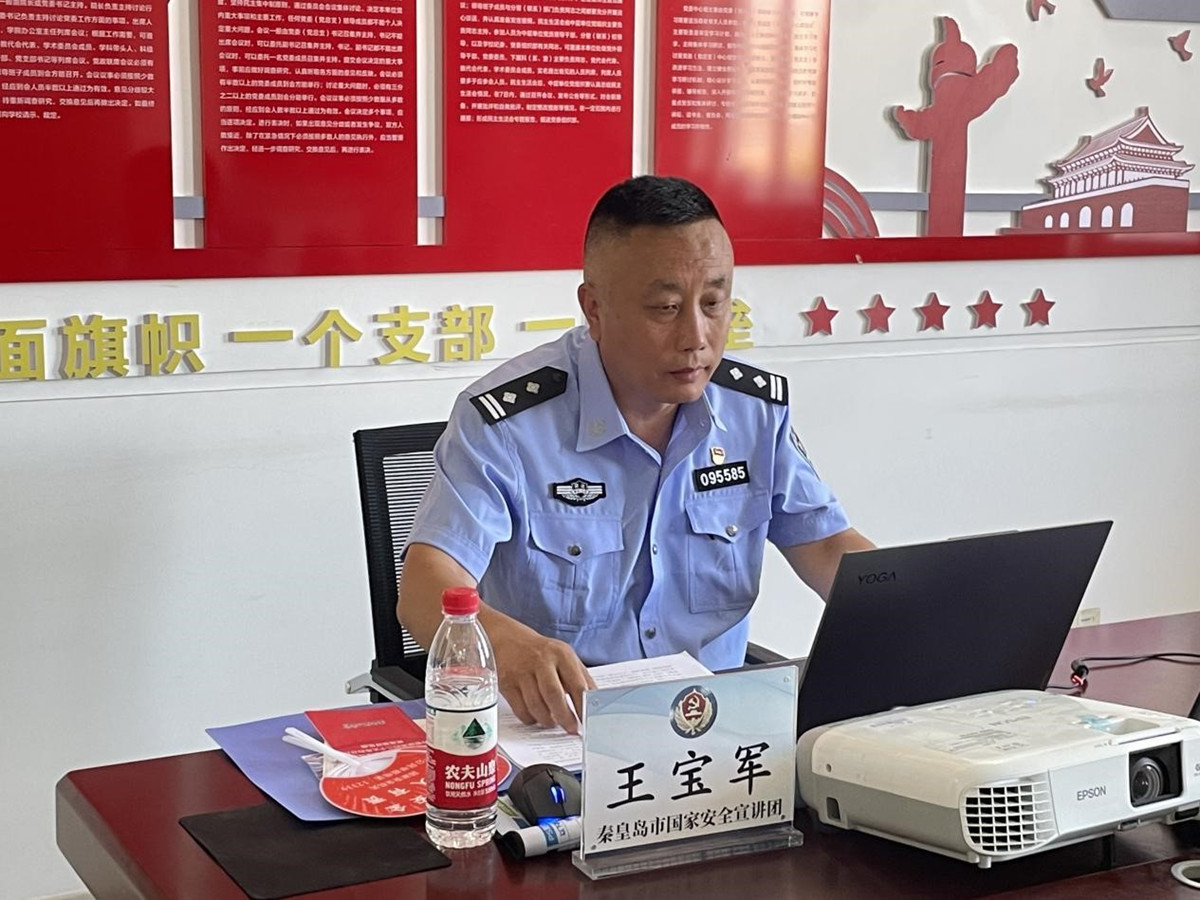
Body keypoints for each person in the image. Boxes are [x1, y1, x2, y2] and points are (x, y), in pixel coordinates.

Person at [400, 176, 872, 734]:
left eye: (714, 303)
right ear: (594, 308)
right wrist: (508, 646)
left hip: (716, 725)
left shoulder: (753, 412)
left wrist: (910, 609)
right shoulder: (509, 423)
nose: (696, 336)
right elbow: (424, 587)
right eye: (665, 308)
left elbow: (826, 545)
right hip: (564, 728)